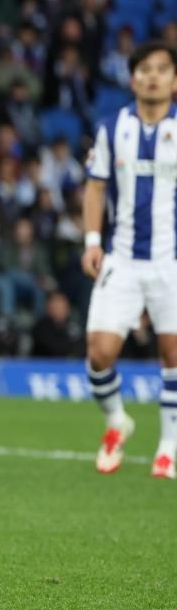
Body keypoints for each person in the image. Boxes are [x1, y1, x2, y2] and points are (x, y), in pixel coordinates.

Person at [81, 40, 177, 479]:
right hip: (121, 256)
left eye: (161, 69)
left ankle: (169, 446)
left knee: (172, 355)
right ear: (132, 77)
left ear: (174, 80)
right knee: (99, 353)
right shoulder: (111, 128)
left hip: (169, 260)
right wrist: (92, 240)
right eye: (144, 69)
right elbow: (96, 186)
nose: (152, 76)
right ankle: (118, 422)